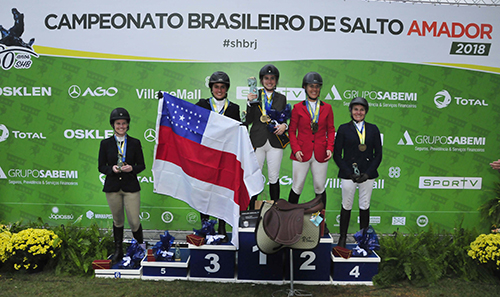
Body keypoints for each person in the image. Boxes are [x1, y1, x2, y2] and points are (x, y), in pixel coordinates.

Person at [196, 71, 240, 242]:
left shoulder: (234, 108)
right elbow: (186, 117)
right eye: (216, 87)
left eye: (222, 87)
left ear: (227, 88)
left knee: (222, 191)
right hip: (205, 156)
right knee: (204, 191)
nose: (219, 90)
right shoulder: (201, 104)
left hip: (224, 157)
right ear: (211, 88)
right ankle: (206, 225)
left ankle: (222, 225)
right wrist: (165, 99)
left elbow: (238, 133)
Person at [333, 97, 382, 248]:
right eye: (355, 109)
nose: (358, 112)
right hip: (349, 174)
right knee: (346, 204)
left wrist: (367, 173)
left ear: (366, 111)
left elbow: (378, 155)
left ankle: (364, 240)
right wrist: (349, 173)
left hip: (367, 174)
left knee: (364, 205)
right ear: (351, 111)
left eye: (361, 109)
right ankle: (342, 238)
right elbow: (337, 155)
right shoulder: (343, 128)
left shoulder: (373, 129)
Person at [98, 108, 146, 263]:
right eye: (118, 123)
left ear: (128, 125)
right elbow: (101, 166)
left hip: (130, 186)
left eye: (124, 123)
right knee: (118, 220)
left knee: (133, 221)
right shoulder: (105, 144)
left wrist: (132, 168)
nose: (121, 126)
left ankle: (140, 247)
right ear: (113, 125)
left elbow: (142, 165)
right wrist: (110, 169)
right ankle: (118, 249)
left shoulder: (135, 143)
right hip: (112, 187)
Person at [288, 72, 335, 227]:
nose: (314, 89)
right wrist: (296, 150)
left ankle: (319, 223)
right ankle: (290, 220)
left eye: (317, 86)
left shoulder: (327, 108)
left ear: (320, 88)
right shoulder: (297, 108)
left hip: (321, 153)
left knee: (320, 187)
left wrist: (329, 147)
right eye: (311, 86)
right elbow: (291, 131)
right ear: (305, 87)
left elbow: (331, 130)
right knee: (297, 186)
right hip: (302, 153)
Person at [245, 64, 289, 209]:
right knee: (254, 177)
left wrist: (285, 126)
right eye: (266, 78)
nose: (269, 81)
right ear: (262, 80)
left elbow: (284, 120)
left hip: (275, 143)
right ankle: (251, 212)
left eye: (272, 78)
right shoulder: (255, 95)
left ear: (276, 80)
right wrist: (249, 103)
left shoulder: (282, 98)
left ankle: (276, 211)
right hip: (257, 141)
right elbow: (249, 120)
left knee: (273, 177)